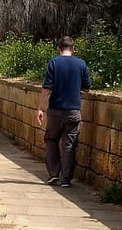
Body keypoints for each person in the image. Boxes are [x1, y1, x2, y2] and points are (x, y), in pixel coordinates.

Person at [34, 36, 90, 187]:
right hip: (73, 111)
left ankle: (54, 174)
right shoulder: (81, 64)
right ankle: (66, 179)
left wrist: (40, 108)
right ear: (73, 48)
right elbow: (86, 87)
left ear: (59, 48)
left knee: (51, 140)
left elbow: (47, 88)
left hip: (55, 110)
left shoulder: (54, 62)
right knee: (69, 144)